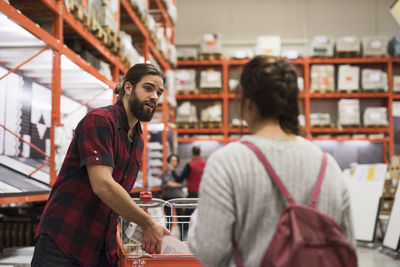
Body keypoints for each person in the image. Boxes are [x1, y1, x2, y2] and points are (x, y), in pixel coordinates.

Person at [188, 56, 355, 267]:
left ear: (247, 104)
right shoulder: (328, 164)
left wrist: (199, 219)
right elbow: (348, 242)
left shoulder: (227, 162)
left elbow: (209, 251)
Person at [32, 63, 171, 267]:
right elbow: (103, 184)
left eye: (159, 92)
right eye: (148, 88)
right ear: (128, 88)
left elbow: (116, 197)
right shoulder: (100, 121)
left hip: (100, 249)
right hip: (64, 243)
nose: (154, 97)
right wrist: (147, 222)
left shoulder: (138, 139)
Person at [160, 154, 185, 239]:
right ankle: (168, 238)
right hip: (168, 198)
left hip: (178, 197)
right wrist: (176, 184)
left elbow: (183, 183)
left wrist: (174, 184)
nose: (173, 162)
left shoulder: (179, 172)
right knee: (169, 219)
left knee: (181, 218)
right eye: (172, 161)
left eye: (175, 161)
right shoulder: (166, 172)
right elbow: (166, 183)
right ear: (168, 162)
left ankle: (182, 238)